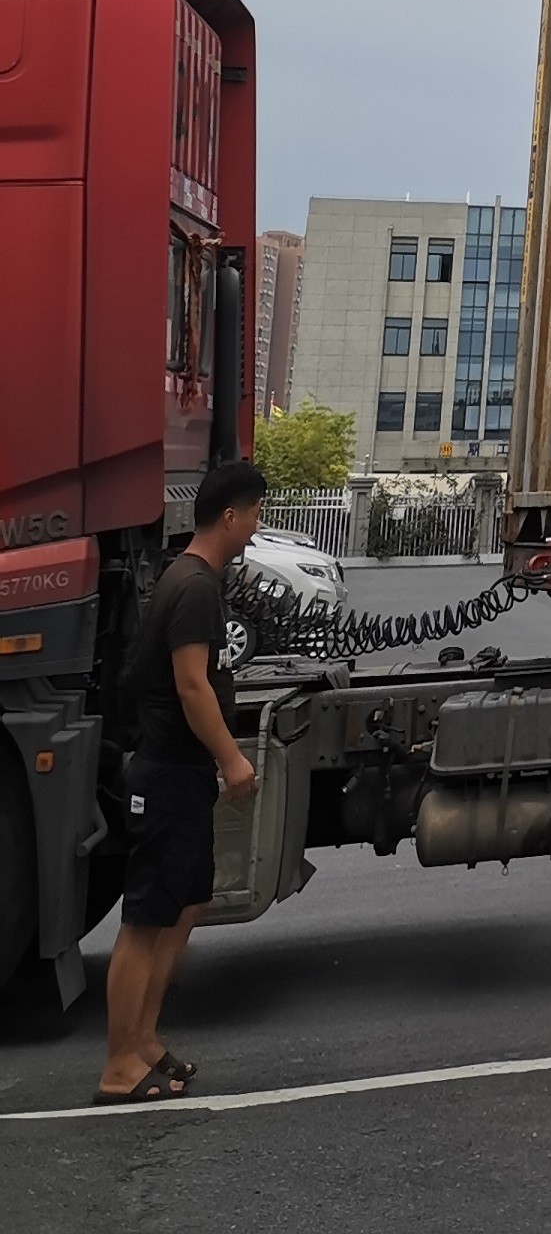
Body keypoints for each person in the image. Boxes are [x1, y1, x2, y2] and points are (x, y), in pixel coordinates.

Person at [95, 458, 265, 1106]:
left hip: (180, 775)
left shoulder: (193, 578)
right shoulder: (193, 586)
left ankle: (142, 1041)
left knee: (183, 906)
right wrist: (232, 759)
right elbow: (192, 685)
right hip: (167, 771)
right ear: (230, 516)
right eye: (253, 514)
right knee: (146, 920)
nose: (256, 527)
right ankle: (118, 1066)